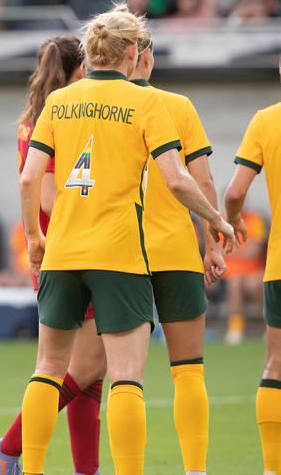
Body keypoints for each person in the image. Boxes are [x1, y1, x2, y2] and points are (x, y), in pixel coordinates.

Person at [18, 5, 234, 475]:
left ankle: (24, 463)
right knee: (151, 374)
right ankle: (189, 469)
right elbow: (187, 180)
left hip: (67, 250)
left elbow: (29, 178)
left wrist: (34, 237)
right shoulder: (160, 104)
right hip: (133, 252)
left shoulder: (61, 100)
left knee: (51, 368)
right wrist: (217, 226)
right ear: (137, 52)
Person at [0, 35, 106, 475]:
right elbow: (49, 196)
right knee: (87, 364)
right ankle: (8, 448)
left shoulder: (33, 117)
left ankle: (78, 469)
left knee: (85, 372)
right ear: (80, 71)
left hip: (56, 254)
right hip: (71, 252)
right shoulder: (61, 115)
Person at [132, 23, 226, 475]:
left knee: (123, 379)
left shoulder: (89, 108)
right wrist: (213, 242)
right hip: (173, 251)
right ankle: (194, 471)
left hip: (117, 257)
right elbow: (200, 179)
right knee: (188, 368)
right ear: (145, 55)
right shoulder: (177, 106)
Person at [224, 55, 281, 475]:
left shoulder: (266, 121)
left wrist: (235, 220)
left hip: (280, 265)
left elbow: (234, 191)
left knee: (276, 365)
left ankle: (272, 468)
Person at [223, 207, 267, 345]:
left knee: (255, 285)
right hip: (229, 271)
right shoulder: (221, 220)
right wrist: (243, 251)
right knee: (235, 283)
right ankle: (235, 330)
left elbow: (255, 250)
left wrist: (234, 251)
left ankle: (269, 327)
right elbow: (219, 250)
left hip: (253, 270)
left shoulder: (255, 219)